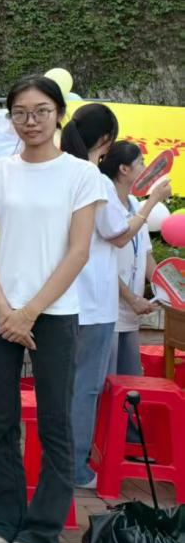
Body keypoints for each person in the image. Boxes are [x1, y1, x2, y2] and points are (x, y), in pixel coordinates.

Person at [0, 75, 107, 543]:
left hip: (54, 313)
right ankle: (2, 522)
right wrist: (3, 307)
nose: (31, 121)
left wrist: (29, 311)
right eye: (21, 113)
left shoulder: (82, 175)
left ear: (59, 115)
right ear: (11, 118)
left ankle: (42, 533)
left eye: (41, 111)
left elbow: (78, 252)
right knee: (2, 420)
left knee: (54, 422)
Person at [64, 104, 167, 488]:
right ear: (106, 139)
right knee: (86, 386)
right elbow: (119, 235)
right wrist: (152, 203)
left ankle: (63, 461)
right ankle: (75, 467)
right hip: (93, 301)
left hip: (65, 296)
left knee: (70, 385)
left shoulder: (65, 171)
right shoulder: (95, 179)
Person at [101, 141, 167, 376]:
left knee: (130, 384)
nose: (145, 168)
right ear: (123, 169)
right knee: (106, 383)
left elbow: (145, 254)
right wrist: (131, 298)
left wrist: (167, 290)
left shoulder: (135, 204)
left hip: (131, 313)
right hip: (108, 312)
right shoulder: (106, 205)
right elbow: (103, 261)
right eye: (140, 163)